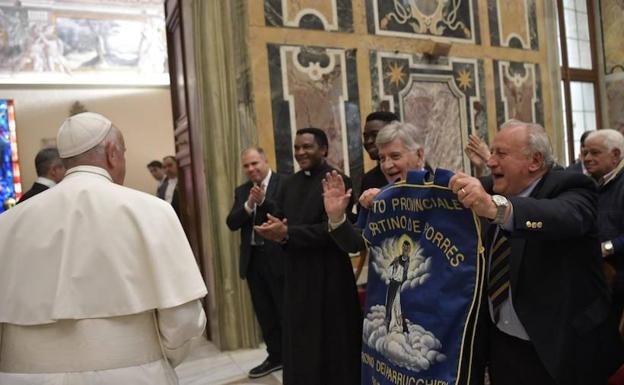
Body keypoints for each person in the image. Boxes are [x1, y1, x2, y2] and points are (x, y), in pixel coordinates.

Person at [0, 112, 207, 384]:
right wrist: (158, 359)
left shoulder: (7, 222)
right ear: (112, 154)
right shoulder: (152, 211)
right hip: (131, 375)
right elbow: (183, 320)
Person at [449, 119, 612, 385]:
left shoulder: (573, 186)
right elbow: (445, 194)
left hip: (561, 350)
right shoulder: (495, 185)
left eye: (501, 154)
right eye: (492, 153)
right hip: (503, 346)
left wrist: (496, 209)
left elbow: (561, 216)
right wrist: (389, 198)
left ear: (534, 161)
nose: (490, 162)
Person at [255, 127, 361, 385]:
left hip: (330, 275)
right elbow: (281, 216)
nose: (300, 152)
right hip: (297, 275)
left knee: (334, 341)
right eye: (297, 148)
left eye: (307, 147)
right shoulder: (290, 183)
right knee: (301, 340)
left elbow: (331, 229)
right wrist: (273, 227)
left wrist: (288, 233)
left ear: (324, 149)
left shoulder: (339, 181)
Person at [226, 147, 284, 379]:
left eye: (254, 163)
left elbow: (285, 214)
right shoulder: (242, 191)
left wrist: (265, 201)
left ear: (265, 160)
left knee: (284, 309)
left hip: (279, 259)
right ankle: (275, 355)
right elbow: (232, 222)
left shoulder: (284, 183)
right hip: (253, 260)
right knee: (265, 312)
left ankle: (293, 355)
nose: (251, 169)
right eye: (246, 166)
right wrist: (249, 205)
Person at [361, 111, 400, 193]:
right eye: (366, 137)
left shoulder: (420, 171)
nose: (368, 141)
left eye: (375, 135)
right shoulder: (369, 180)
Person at [385, 240, 410, 333]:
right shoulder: (398, 259)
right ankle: (388, 325)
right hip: (393, 284)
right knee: (390, 304)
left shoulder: (407, 261)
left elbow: (405, 275)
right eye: (404, 247)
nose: (405, 249)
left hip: (400, 285)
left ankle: (403, 327)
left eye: (407, 248)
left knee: (399, 305)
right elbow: (390, 269)